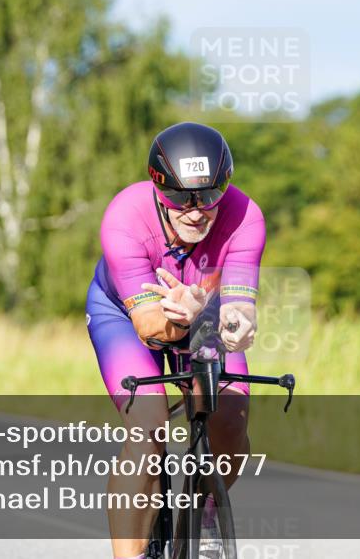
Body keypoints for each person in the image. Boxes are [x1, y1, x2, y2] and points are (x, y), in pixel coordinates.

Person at [86, 122, 265, 559]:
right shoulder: (124, 217)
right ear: (156, 186)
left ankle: (205, 510)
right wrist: (186, 320)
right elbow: (149, 326)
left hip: (203, 312)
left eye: (208, 196)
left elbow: (239, 314)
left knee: (230, 418)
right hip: (125, 317)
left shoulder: (246, 217)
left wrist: (228, 322)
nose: (196, 210)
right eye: (181, 197)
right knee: (149, 429)